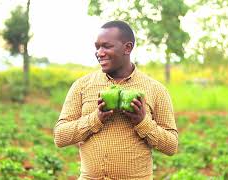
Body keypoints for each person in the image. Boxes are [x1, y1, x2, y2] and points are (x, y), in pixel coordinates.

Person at [54, 20, 178, 180]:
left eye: (106, 46)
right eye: (97, 47)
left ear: (128, 47)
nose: (100, 52)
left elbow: (171, 146)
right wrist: (96, 118)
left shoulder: (155, 89)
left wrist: (142, 121)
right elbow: (60, 137)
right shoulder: (82, 86)